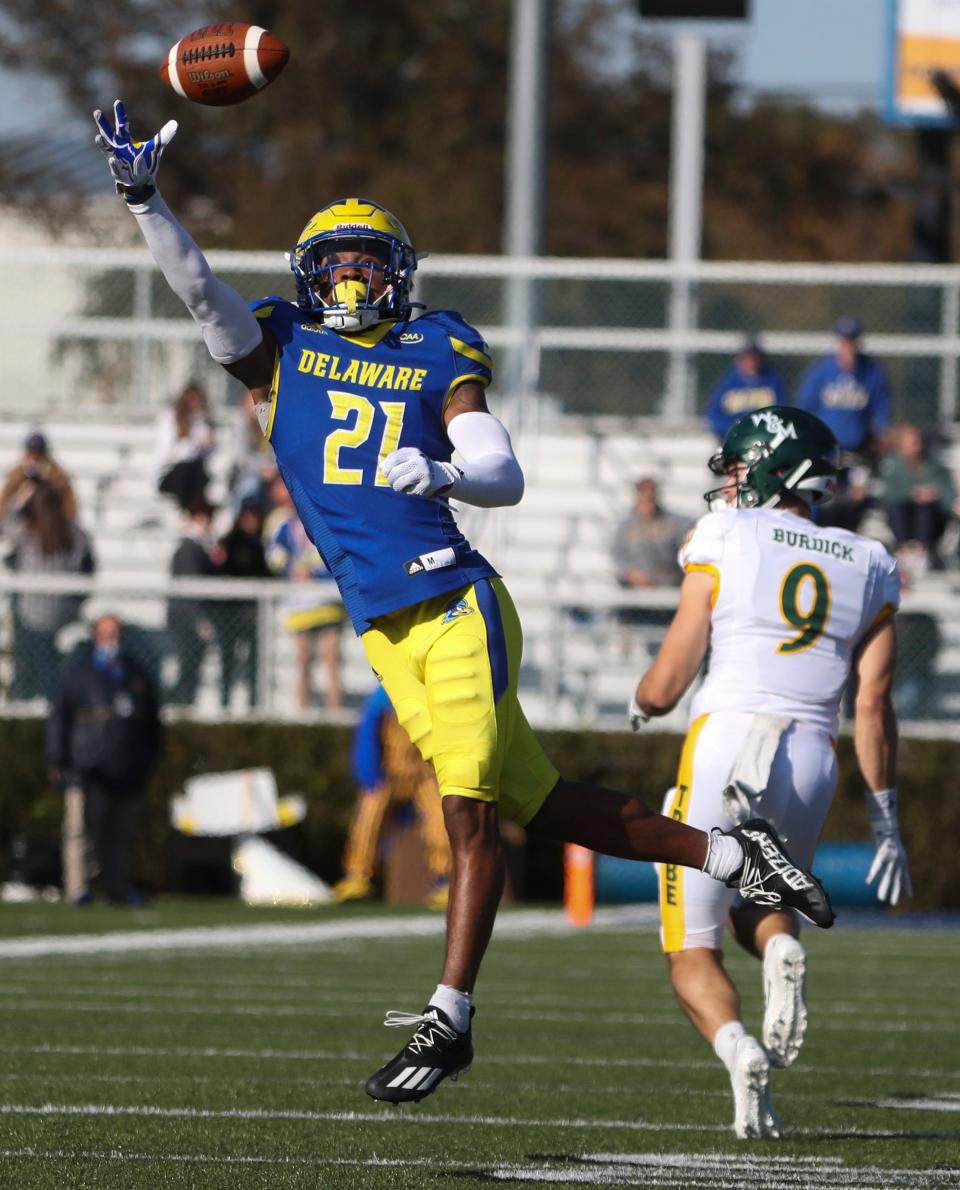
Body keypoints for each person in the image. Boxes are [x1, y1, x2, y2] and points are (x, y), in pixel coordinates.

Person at [92, 100, 834, 1104]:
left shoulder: (438, 343)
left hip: (452, 602)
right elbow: (195, 289)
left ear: (397, 271)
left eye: (367, 260)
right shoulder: (280, 344)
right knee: (550, 802)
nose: (352, 275)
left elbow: (502, 466)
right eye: (337, 262)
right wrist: (143, 199)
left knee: (469, 813)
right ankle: (733, 853)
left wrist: (444, 469)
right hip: (386, 629)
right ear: (313, 276)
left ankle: (453, 1014)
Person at [629, 405, 909, 1139]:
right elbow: (874, 704)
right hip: (812, 755)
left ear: (771, 470)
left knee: (691, 945)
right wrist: (886, 823)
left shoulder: (722, 533)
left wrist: (643, 702)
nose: (728, 484)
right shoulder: (871, 559)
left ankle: (736, 1046)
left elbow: (669, 680)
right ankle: (782, 945)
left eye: (740, 470)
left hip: (727, 738)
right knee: (761, 894)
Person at [45, 613, 162, 906]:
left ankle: (116, 888)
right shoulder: (78, 672)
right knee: (78, 830)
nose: (112, 640)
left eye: (116, 634)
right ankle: (78, 889)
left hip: (124, 767)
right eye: (106, 633)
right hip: (85, 763)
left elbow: (151, 722)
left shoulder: (134, 672)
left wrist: (148, 759)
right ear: (95, 636)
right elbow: (60, 717)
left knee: (118, 834)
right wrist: (57, 758)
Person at [335, 685, 452, 908]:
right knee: (367, 822)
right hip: (386, 772)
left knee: (441, 820)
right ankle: (357, 877)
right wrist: (368, 769)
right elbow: (369, 733)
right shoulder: (384, 695)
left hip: (422, 773)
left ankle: (443, 879)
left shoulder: (434, 692)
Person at [794, 316, 892, 532]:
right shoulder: (821, 370)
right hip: (826, 447)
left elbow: (882, 407)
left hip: (858, 449)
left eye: (853, 341)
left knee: (855, 499)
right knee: (819, 494)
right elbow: (806, 406)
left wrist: (880, 432)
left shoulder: (872, 371)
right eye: (845, 341)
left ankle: (848, 539)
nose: (849, 347)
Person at [3, 481, 95, 701]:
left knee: (26, 674)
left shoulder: (27, 532)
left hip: (30, 617)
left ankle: (23, 708)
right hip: (63, 616)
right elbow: (86, 567)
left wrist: (18, 502)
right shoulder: (76, 533)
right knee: (51, 674)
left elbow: (5, 526)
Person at [263, 476, 346, 711]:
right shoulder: (280, 521)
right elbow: (274, 554)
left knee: (332, 660)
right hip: (300, 601)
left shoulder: (321, 515)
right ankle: (304, 712)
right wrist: (292, 568)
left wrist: (318, 570)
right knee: (303, 661)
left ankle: (334, 714)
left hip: (328, 598)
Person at [212, 496, 272, 710]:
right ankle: (224, 701)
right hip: (230, 612)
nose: (252, 520)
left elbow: (265, 573)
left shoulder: (259, 543)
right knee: (227, 659)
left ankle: (254, 703)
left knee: (254, 661)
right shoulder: (230, 541)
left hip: (252, 612)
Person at [878, 423, 955, 573]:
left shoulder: (935, 467)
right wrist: (913, 494)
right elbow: (887, 496)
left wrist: (933, 495)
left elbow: (948, 496)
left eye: (918, 442)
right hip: (901, 520)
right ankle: (904, 551)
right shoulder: (890, 466)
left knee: (925, 509)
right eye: (912, 443)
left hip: (932, 522)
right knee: (899, 507)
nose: (917, 446)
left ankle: (922, 552)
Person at [166, 496, 219, 707]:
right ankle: (180, 706)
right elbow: (189, 588)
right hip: (185, 621)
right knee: (188, 668)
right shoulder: (190, 548)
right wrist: (199, 621)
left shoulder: (195, 547)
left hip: (186, 618)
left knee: (191, 668)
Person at [705, 337, 787, 440]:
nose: (751, 361)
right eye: (747, 358)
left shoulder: (773, 381)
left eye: (754, 357)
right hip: (733, 437)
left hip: (764, 437)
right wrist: (731, 429)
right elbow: (714, 414)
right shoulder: (728, 383)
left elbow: (782, 412)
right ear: (739, 359)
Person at [153, 381, 216, 510]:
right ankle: (189, 511)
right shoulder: (170, 418)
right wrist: (195, 444)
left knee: (198, 472)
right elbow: (168, 452)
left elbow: (209, 454)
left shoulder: (203, 421)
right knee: (187, 470)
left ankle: (196, 513)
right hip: (171, 473)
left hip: (194, 473)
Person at [0, 431, 78, 524]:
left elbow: (69, 503)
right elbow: (4, 500)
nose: (34, 458)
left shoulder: (56, 474)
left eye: (37, 454)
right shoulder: (17, 474)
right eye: (31, 453)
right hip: (20, 525)